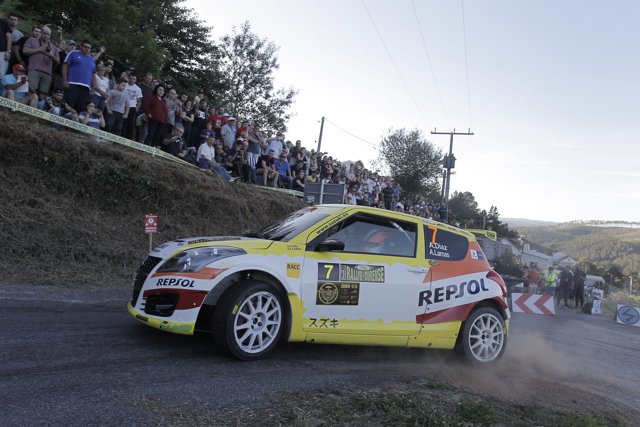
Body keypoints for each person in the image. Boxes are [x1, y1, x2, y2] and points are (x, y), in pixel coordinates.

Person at [22, 25, 59, 100]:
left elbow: (58, 61)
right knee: (31, 90)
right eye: (44, 33)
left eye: (48, 34)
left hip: (47, 73)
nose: (46, 36)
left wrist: (51, 55)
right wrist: (39, 49)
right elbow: (25, 50)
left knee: (44, 94)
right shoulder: (32, 40)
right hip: (34, 69)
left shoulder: (53, 47)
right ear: (41, 33)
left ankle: (39, 109)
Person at [62, 39, 97, 114]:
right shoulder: (73, 53)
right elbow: (65, 66)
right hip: (73, 83)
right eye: (85, 47)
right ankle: (64, 121)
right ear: (81, 46)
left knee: (80, 107)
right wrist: (65, 80)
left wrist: (93, 87)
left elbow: (93, 74)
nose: (87, 49)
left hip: (86, 87)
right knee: (69, 104)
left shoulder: (92, 60)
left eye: (89, 48)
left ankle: (74, 123)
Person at [121, 72, 142, 140]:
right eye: (130, 78)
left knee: (130, 124)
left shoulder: (137, 89)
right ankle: (121, 135)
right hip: (123, 105)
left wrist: (137, 108)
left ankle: (129, 138)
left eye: (133, 79)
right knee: (122, 122)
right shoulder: (124, 85)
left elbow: (139, 100)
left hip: (132, 106)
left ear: (135, 80)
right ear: (128, 78)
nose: (132, 80)